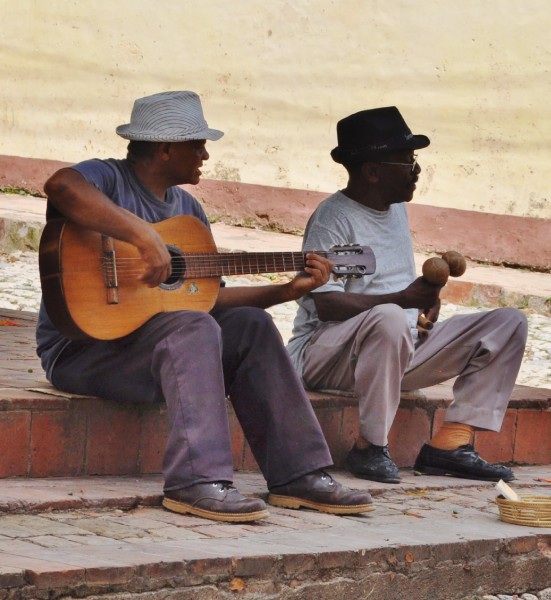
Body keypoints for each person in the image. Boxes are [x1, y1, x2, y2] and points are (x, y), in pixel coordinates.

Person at [35, 91, 373, 522]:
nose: (205, 155)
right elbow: (61, 186)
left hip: (153, 352)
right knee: (193, 329)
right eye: (197, 145)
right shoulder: (109, 178)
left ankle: (299, 475)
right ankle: (196, 481)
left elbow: (207, 298)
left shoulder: (188, 211)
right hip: (83, 351)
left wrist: (288, 290)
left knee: (248, 324)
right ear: (165, 148)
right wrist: (144, 237)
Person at [286, 106, 528, 484]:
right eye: (407, 162)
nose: (417, 171)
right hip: (326, 355)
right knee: (389, 317)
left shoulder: (396, 210)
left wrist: (426, 302)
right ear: (372, 171)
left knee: (508, 323)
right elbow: (327, 304)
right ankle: (370, 447)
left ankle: (452, 444)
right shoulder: (333, 218)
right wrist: (402, 301)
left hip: (394, 350)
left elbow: (398, 295)